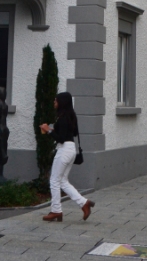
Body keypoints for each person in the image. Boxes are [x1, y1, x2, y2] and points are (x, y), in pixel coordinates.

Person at [39, 92, 94, 221]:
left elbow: (61, 138)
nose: (54, 102)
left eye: (56, 100)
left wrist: (48, 131)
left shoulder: (63, 118)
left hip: (64, 150)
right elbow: (71, 133)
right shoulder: (70, 116)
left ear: (62, 103)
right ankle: (84, 203)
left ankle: (56, 210)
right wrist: (52, 130)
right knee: (63, 181)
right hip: (71, 149)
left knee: (54, 180)